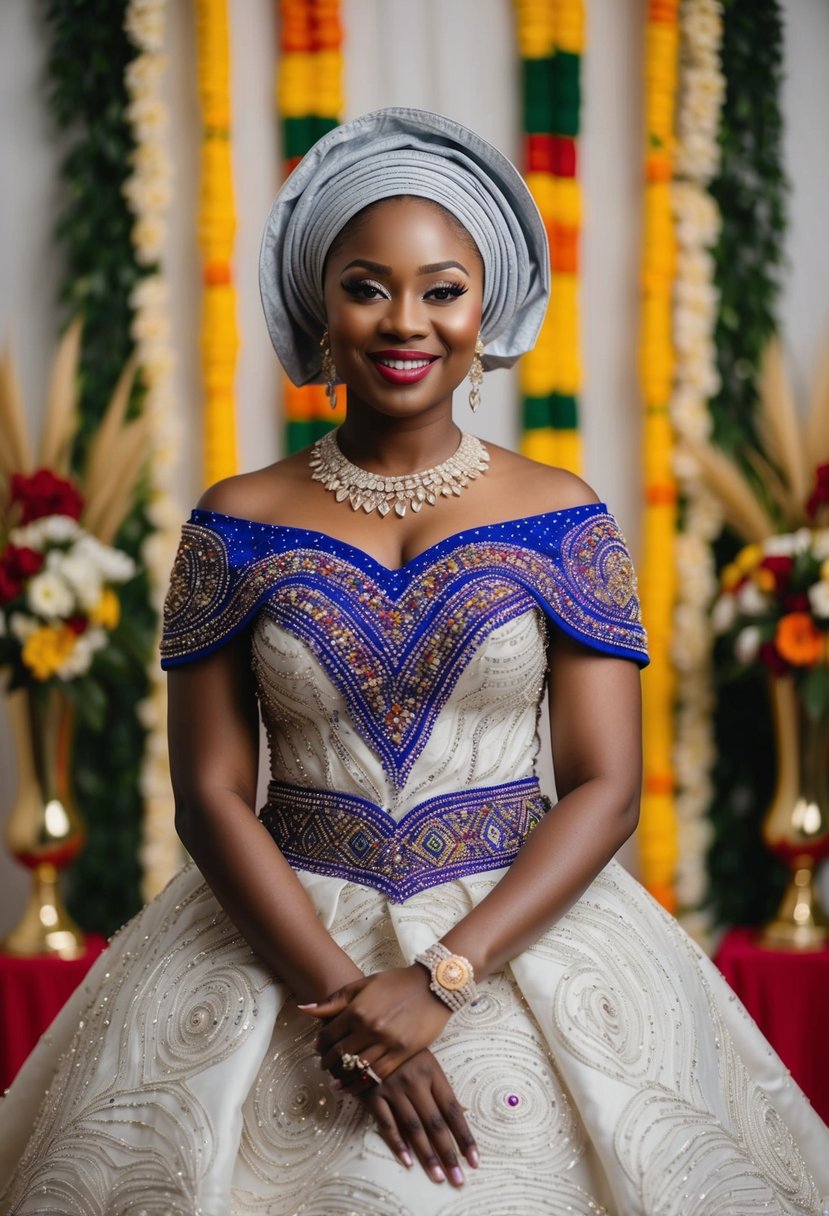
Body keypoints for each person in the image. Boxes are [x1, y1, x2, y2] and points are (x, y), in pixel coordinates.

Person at [1, 107, 827, 1216]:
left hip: (515, 933)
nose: (406, 321)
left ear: (486, 311)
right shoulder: (234, 521)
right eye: (366, 284)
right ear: (318, 305)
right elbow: (208, 795)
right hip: (278, 940)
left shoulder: (561, 516)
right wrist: (347, 1004)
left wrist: (443, 977)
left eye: (442, 289)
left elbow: (606, 784)